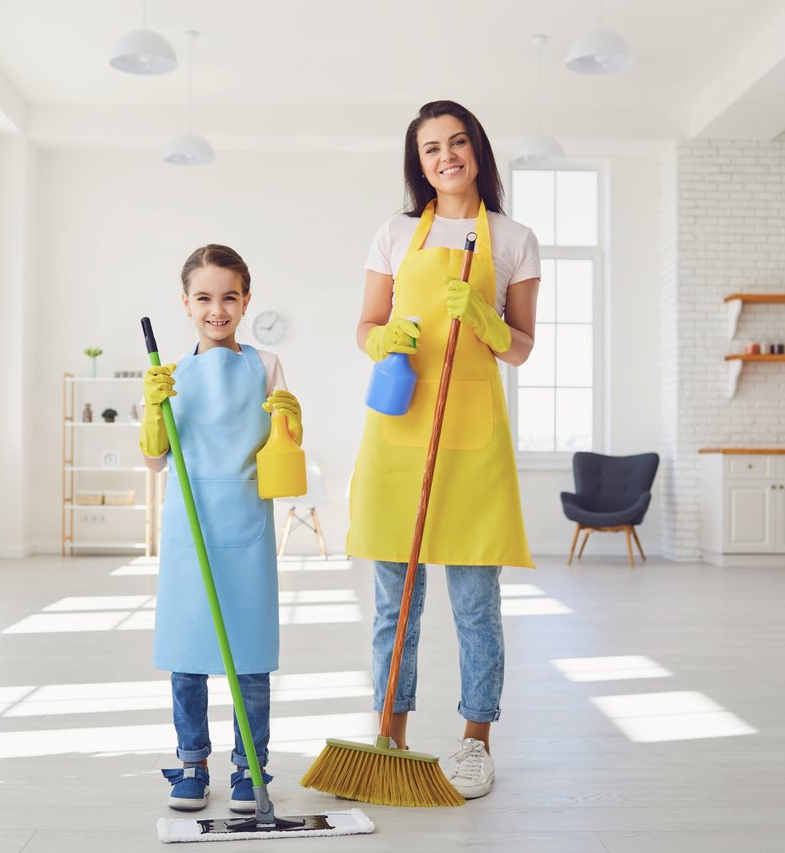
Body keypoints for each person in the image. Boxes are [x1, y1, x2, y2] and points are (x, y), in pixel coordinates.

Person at [346, 100, 539, 800]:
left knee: (475, 606)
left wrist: (486, 320)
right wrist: (381, 340)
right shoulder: (395, 233)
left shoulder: (514, 238)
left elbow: (520, 347)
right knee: (393, 608)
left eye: (457, 142)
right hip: (399, 433)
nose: (445, 156)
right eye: (431, 148)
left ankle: (472, 743)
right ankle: (388, 739)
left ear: (477, 151)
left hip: (472, 438)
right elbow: (366, 323)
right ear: (418, 162)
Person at [140, 244, 304, 812]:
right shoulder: (171, 374)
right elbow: (156, 461)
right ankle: (191, 764)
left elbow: (283, 458)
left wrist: (291, 426)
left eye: (228, 297)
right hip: (189, 526)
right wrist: (149, 414)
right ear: (185, 304)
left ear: (246, 300)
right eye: (204, 297)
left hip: (246, 527)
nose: (217, 309)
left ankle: (248, 768)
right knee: (188, 657)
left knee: (250, 657)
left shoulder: (266, 366)